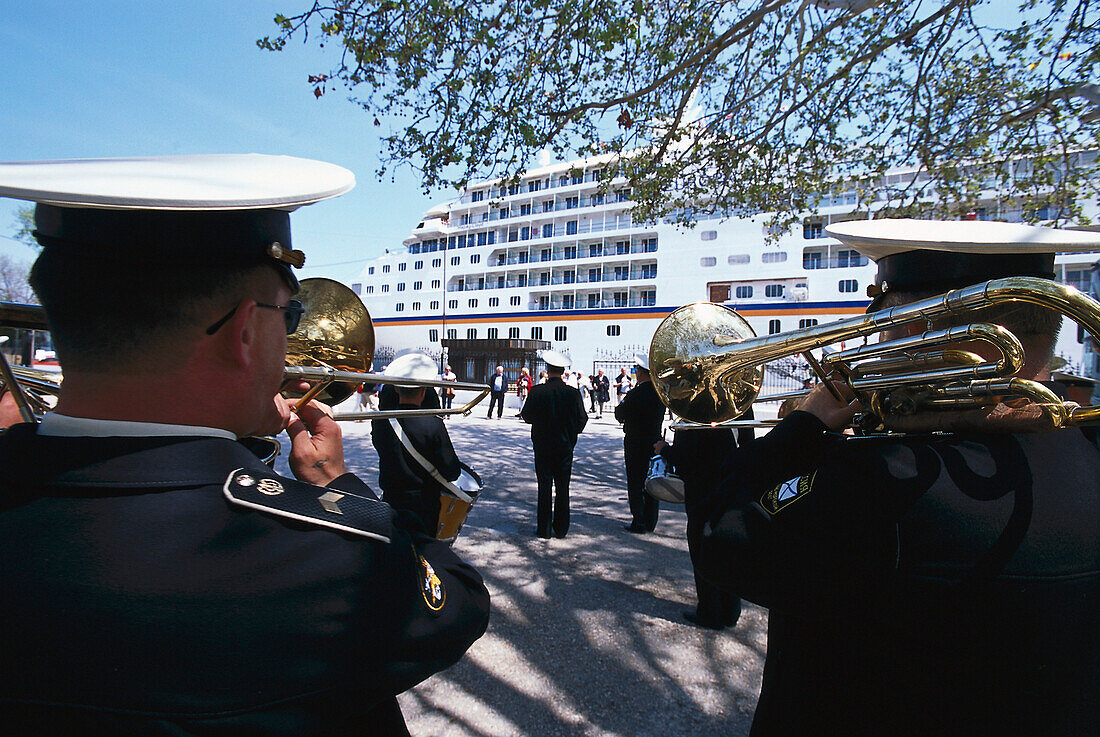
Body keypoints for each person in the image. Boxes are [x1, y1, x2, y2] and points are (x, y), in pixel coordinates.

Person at [0, 156, 490, 736]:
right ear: (243, 333)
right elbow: (457, 604)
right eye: (289, 315)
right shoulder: (333, 554)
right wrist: (337, 490)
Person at [689, 219, 1100, 737]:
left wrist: (805, 425)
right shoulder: (1087, 453)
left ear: (917, 327)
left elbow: (717, 536)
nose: (879, 337)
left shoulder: (881, 483)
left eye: (883, 318)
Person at [655, 417, 755, 629]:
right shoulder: (740, 406)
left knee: (702, 548)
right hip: (731, 487)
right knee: (727, 548)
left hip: (702, 492)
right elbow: (748, 443)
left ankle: (711, 612)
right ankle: (730, 610)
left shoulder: (693, 411)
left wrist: (663, 450)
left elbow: (684, 460)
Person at [372, 354, 465, 535]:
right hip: (424, 505)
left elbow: (380, 448)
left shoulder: (380, 421)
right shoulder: (433, 423)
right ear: (424, 391)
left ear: (397, 389)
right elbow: (451, 471)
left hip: (391, 500)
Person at [520, 350, 588, 538]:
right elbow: (582, 419)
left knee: (544, 486)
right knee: (563, 486)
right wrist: (571, 434)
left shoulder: (537, 391)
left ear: (548, 370)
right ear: (563, 371)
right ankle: (561, 528)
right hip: (564, 446)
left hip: (542, 445)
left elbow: (526, 416)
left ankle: (544, 529)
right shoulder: (573, 394)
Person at [615, 354, 666, 532]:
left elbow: (620, 414)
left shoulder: (636, 393)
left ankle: (639, 521)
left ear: (640, 373)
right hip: (654, 441)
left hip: (635, 442)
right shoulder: (659, 394)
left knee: (635, 481)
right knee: (651, 481)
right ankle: (651, 521)